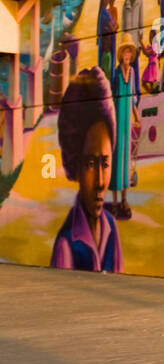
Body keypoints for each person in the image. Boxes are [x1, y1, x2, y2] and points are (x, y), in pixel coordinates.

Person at [51, 68, 123, 272]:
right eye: (91, 164)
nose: (101, 182)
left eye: (105, 163)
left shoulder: (111, 228)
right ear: (75, 164)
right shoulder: (66, 245)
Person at [109, 42, 140, 218]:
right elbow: (112, 97)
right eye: (125, 52)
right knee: (116, 156)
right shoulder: (116, 73)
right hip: (118, 116)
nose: (127, 55)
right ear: (121, 55)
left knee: (126, 157)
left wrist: (137, 116)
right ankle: (114, 201)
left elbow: (133, 97)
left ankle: (124, 199)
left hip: (128, 116)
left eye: (129, 52)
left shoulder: (133, 72)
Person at [96, 0, 118, 76]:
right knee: (107, 71)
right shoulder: (105, 13)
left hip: (106, 47)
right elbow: (113, 29)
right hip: (107, 49)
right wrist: (116, 26)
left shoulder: (102, 12)